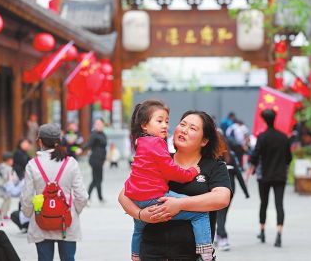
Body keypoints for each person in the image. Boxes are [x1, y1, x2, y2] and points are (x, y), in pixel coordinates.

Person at [119, 110, 232, 261]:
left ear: (204, 140)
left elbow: (221, 198)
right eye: (182, 124)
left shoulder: (214, 166)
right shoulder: (160, 158)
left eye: (192, 128)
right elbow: (124, 195)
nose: (184, 130)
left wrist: (179, 204)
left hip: (190, 254)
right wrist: (141, 215)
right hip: (151, 251)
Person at [20, 123, 88, 261]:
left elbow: (26, 197)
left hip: (41, 221)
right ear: (59, 140)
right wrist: (73, 212)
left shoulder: (33, 165)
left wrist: (29, 214)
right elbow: (82, 196)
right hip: (66, 222)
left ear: (40, 141)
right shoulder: (71, 163)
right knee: (68, 258)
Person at [246, 109, 292, 248]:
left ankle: (262, 231)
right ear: (275, 118)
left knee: (263, 203)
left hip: (264, 176)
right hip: (280, 176)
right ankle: (279, 234)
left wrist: (250, 169)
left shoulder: (262, 137)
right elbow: (289, 157)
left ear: (264, 120)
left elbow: (255, 156)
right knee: (279, 204)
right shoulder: (284, 137)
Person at [215, 131, 249, 251]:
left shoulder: (211, 155)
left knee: (219, 214)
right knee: (222, 214)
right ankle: (220, 236)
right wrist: (246, 192)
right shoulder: (230, 155)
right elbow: (238, 174)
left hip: (215, 190)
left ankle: (222, 237)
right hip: (230, 190)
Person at [78, 119, 107, 203]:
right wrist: (81, 149)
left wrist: (104, 159)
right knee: (96, 179)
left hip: (100, 160)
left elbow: (104, 148)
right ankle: (88, 197)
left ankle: (100, 198)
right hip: (95, 159)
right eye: (96, 124)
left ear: (103, 125)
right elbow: (89, 144)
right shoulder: (94, 135)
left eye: (99, 124)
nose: (98, 125)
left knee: (99, 179)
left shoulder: (103, 134)